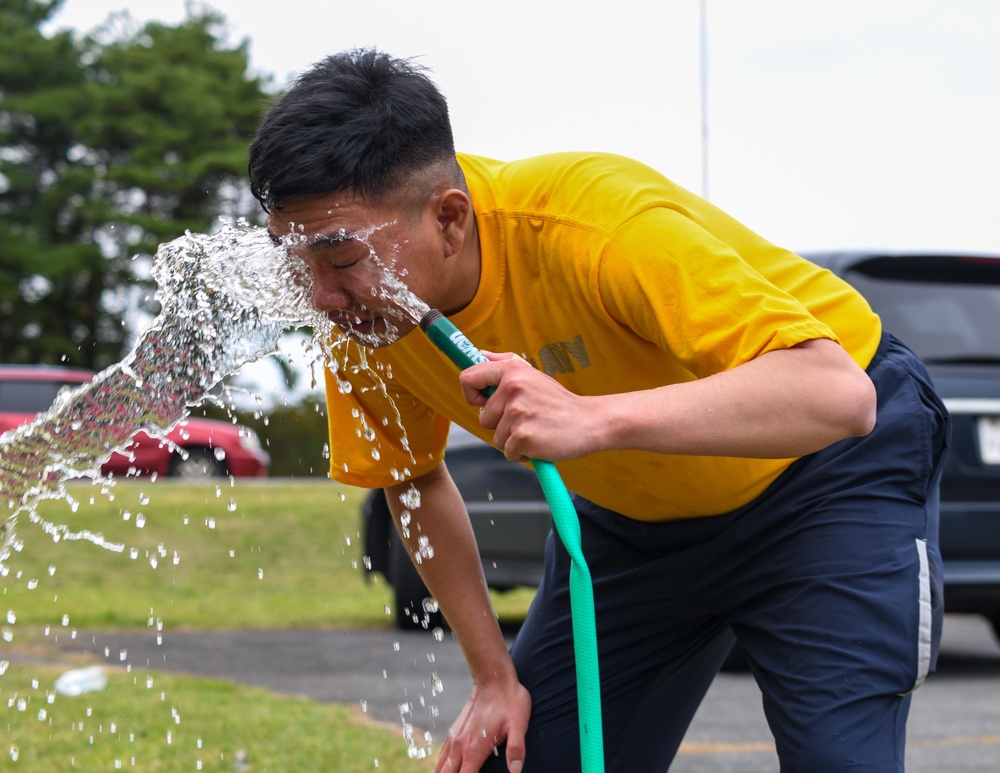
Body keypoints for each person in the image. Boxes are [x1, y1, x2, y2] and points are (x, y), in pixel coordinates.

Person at [248, 48, 949, 773]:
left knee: (840, 759)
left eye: (339, 258)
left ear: (449, 219)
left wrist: (595, 418)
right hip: (639, 526)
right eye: (292, 258)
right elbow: (413, 478)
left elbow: (837, 395)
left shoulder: (595, 222)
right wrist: (493, 675)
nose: (319, 296)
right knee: (517, 757)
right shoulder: (363, 316)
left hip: (824, 482)